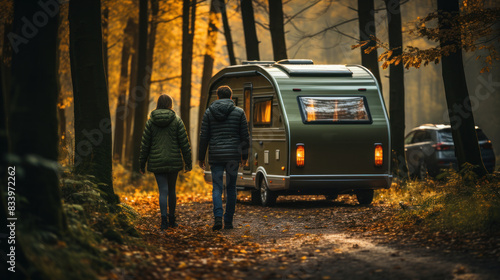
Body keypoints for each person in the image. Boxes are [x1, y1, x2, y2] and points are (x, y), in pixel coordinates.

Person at [198, 85, 250, 231]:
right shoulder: (239, 112)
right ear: (231, 97)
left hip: (216, 155)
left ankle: (218, 218)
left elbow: (204, 136)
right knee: (232, 188)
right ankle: (228, 221)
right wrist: (244, 156)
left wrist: (201, 157)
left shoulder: (209, 112)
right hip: (233, 156)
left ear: (218, 97)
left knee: (217, 188)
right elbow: (245, 136)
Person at [140, 94, 192, 230]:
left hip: (157, 162)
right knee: (172, 190)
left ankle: (163, 221)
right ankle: (172, 219)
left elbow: (145, 145)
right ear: (170, 104)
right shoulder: (177, 121)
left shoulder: (150, 122)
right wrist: (188, 162)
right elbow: (184, 143)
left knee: (162, 190)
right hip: (173, 160)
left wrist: (142, 164)